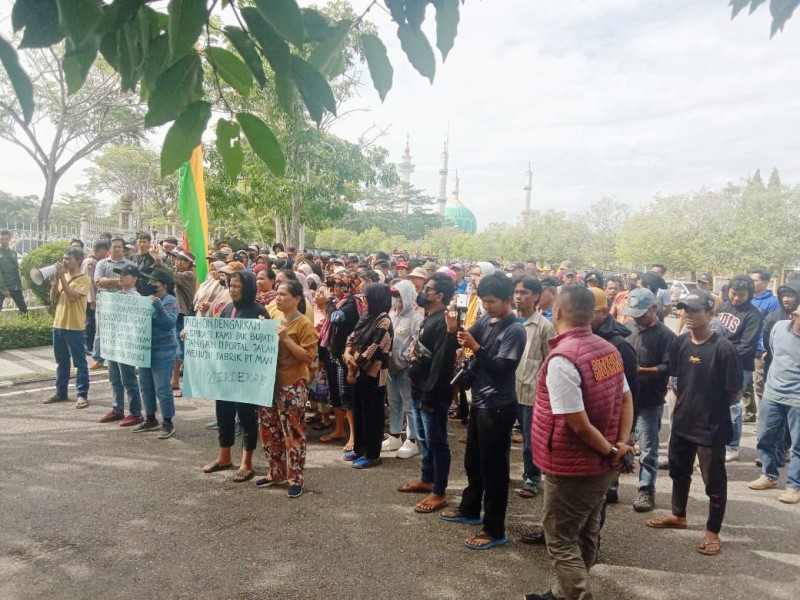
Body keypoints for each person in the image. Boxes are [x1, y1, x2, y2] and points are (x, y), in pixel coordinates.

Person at [525, 286, 634, 600]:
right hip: (602, 463)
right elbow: (626, 398)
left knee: (560, 539)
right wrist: (619, 446)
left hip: (573, 465)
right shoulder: (607, 350)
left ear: (557, 313)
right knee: (585, 531)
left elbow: (578, 424)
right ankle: (563, 593)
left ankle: (573, 595)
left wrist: (613, 450)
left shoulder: (563, 359)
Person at [646, 290, 741, 557]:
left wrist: (709, 406)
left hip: (711, 426)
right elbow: (676, 376)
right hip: (683, 421)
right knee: (678, 471)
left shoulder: (724, 348)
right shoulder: (681, 343)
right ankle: (679, 515)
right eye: (685, 310)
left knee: (714, 481)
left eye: (695, 310)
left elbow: (733, 392)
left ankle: (712, 531)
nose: (688, 315)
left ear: (710, 314)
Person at [440, 272, 526, 550]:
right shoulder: (486, 320)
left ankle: (494, 528)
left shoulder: (514, 329)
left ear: (507, 300)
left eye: (491, 302)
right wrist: (454, 330)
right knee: (473, 461)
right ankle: (469, 509)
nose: (487, 306)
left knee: (494, 469)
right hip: (479, 401)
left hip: (498, 406)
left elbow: (503, 369)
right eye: (484, 301)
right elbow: (463, 340)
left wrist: (475, 347)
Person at [398, 273, 458, 513]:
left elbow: (441, 365)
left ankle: (439, 491)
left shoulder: (443, 323)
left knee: (437, 442)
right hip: (418, 389)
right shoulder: (429, 317)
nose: (422, 292)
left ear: (439, 295)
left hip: (431, 394)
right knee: (424, 439)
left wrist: (430, 397)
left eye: (428, 289)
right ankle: (427, 478)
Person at [202, 271, 269, 483]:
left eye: (237, 286)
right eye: (230, 285)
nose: (232, 289)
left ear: (248, 288)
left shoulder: (259, 311)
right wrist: (195, 335)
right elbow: (217, 336)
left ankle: (246, 463)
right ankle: (224, 457)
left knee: (247, 417)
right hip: (226, 374)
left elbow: (265, 345)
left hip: (247, 376)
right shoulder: (228, 309)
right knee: (224, 413)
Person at [259, 279, 317, 497]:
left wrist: (285, 339)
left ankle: (295, 477)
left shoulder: (303, 324)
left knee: (293, 433)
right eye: (277, 293)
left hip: (292, 384)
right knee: (269, 430)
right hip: (269, 384)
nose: (278, 298)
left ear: (296, 299)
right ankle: (276, 472)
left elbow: (308, 357)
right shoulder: (274, 317)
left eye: (283, 294)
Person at [624, 288, 676, 512]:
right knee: (621, 441)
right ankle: (612, 485)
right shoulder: (627, 329)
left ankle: (646, 490)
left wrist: (643, 370)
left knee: (648, 447)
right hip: (625, 398)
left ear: (654, 309)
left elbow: (670, 367)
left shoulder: (666, 336)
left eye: (641, 313)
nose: (637, 317)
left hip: (650, 399)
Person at [589, 286, 639, 504]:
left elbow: (628, 392)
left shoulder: (617, 345)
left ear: (604, 312)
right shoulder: (581, 336)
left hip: (610, 417)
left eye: (590, 312)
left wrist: (624, 435)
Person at [748, 308, 800, 504]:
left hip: (797, 398)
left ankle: (794, 486)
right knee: (764, 437)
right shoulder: (778, 328)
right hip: (773, 393)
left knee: (798, 446)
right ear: (794, 316)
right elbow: (771, 350)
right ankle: (769, 476)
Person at [513, 275, 555, 498]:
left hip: (531, 394)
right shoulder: (508, 320)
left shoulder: (544, 327)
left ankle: (532, 478)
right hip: (506, 391)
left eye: (524, 293)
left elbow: (551, 362)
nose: (519, 297)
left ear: (536, 296)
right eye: (517, 292)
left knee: (531, 441)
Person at [343, 283, 394, 469]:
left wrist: (352, 366)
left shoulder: (384, 321)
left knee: (372, 414)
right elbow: (352, 336)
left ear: (375, 299)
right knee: (359, 411)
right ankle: (359, 448)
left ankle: (372, 454)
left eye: (366, 297)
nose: (363, 301)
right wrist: (347, 352)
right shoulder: (366, 316)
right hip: (357, 371)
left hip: (373, 374)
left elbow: (374, 349)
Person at [716, 275, 762, 462]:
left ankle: (732, 446)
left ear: (749, 294)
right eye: (734, 293)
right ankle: (717, 439)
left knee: (733, 406)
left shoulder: (753, 315)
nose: (736, 298)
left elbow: (746, 345)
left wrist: (722, 355)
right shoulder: (724, 306)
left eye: (741, 295)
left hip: (739, 366)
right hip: (717, 361)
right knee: (715, 403)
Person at [132, 268, 180, 439]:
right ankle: (150, 418)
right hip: (145, 348)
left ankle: (168, 421)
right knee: (146, 386)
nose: (151, 285)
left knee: (162, 388)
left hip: (163, 350)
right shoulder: (145, 299)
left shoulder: (170, 300)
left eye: (154, 282)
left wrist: (158, 306)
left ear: (164, 285)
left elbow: (169, 323)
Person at [43, 247, 90, 408]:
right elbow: (53, 298)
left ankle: (82, 394)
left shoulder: (84, 279)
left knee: (80, 363)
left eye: (68, 259)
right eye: (63, 258)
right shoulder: (63, 276)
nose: (64, 261)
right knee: (61, 362)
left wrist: (62, 277)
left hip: (74, 326)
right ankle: (60, 392)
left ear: (78, 260)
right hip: (59, 324)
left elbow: (72, 297)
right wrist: (57, 279)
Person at [319, 275, 360, 452]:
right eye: (331, 285)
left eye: (338, 285)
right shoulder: (338, 301)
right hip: (332, 353)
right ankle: (339, 430)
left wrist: (327, 303)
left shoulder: (351, 304)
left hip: (345, 355)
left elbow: (336, 317)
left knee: (347, 394)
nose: (333, 288)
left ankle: (354, 436)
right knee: (335, 392)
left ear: (347, 286)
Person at [99, 264, 144, 426]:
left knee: (128, 379)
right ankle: (117, 409)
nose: (121, 276)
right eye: (120, 273)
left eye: (125, 274)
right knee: (114, 378)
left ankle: (136, 412)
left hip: (127, 344)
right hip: (113, 342)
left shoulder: (136, 297)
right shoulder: (116, 295)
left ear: (135, 278)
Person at [384, 280, 423, 458]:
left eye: (398, 296)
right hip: (391, 367)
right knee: (394, 402)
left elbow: (417, 342)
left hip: (406, 368)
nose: (395, 299)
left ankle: (412, 439)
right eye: (393, 296)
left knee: (409, 405)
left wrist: (406, 356)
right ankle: (394, 434)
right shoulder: (391, 315)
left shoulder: (415, 318)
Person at [743, 268, 781, 422]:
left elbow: (774, 327)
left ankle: (765, 415)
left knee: (760, 384)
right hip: (746, 347)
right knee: (745, 382)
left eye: (755, 280)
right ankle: (749, 412)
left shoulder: (773, 302)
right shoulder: (747, 299)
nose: (752, 283)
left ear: (766, 283)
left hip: (761, 348)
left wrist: (768, 347)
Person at [158, 248, 197, 394]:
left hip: (185, 314)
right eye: (175, 258)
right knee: (177, 350)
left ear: (188, 264)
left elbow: (171, 276)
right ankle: (174, 381)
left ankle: (188, 384)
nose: (176, 261)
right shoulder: (182, 273)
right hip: (179, 314)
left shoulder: (188, 275)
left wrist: (159, 261)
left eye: (180, 259)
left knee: (183, 351)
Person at [84, 240, 108, 368]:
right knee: (91, 323)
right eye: (106, 250)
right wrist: (92, 300)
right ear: (101, 250)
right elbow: (89, 283)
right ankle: (89, 346)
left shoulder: (93, 261)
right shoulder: (91, 262)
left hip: (92, 297)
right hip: (91, 298)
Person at [0, 230, 27, 314]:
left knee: (23, 310)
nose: (4, 241)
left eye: (6, 239)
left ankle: (26, 325)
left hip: (15, 285)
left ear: (10, 239)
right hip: (2, 287)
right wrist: (4, 289)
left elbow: (16, 270)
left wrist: (19, 285)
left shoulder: (13, 253)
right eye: (2, 239)